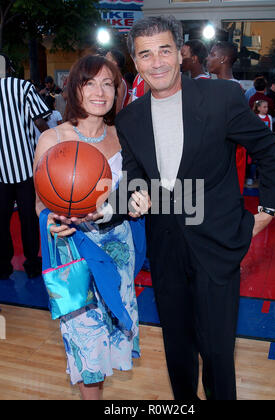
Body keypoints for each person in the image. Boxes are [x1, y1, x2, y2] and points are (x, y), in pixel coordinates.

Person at [114, 16, 275, 400]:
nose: (156, 62)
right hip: (166, 247)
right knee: (177, 348)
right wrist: (125, 200)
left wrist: (269, 211)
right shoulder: (129, 118)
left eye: (164, 50)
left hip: (218, 245)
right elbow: (137, 179)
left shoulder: (221, 97)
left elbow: (267, 149)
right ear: (136, 63)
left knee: (219, 352)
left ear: (180, 52)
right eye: (145, 54)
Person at [33, 54, 148, 400]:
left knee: (112, 339)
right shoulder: (54, 139)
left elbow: (138, 186)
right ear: (74, 89)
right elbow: (40, 202)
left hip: (118, 249)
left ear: (118, 90)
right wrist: (50, 219)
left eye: (108, 83)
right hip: (75, 250)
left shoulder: (123, 135)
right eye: (89, 82)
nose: (99, 91)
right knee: (87, 347)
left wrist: (141, 200)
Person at [0, 57, 50, 280]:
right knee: (29, 218)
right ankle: (32, 264)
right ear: (10, 68)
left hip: (0, 170)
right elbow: (41, 121)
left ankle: (3, 266)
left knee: (1, 220)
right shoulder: (24, 87)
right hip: (26, 167)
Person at [206, 41, 246, 194]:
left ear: (223, 59)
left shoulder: (235, 89)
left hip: (231, 156)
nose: (208, 58)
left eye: (212, 54)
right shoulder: (215, 86)